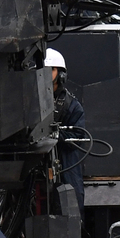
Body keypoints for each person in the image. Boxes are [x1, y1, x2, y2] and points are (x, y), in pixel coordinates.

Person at [46, 47, 86, 211]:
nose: (47, 74)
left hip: (65, 166)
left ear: (61, 74)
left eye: (52, 69)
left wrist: (55, 135)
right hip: (34, 167)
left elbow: (77, 137)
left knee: (70, 206)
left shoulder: (72, 106)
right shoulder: (29, 103)